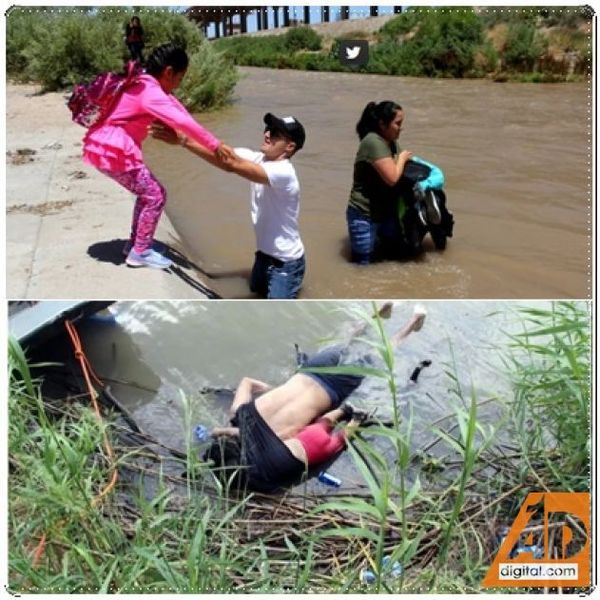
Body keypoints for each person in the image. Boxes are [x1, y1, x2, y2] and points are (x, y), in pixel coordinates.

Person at [204, 303, 427, 493]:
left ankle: (414, 320)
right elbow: (247, 382)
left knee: (382, 352)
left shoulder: (277, 441)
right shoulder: (240, 410)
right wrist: (274, 390)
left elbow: (308, 438)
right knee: (350, 340)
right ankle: (381, 310)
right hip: (311, 370)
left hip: (333, 388)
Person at [82, 43, 233, 269]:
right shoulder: (151, 92)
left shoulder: (143, 82)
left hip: (105, 146)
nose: (179, 84)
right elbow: (180, 122)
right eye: (179, 78)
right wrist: (214, 144)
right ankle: (139, 253)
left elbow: (177, 108)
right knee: (155, 195)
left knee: (147, 194)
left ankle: (135, 244)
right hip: (114, 150)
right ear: (169, 72)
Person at [151, 113, 306, 298]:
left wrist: (184, 141)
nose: (267, 135)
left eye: (275, 134)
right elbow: (220, 151)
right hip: (264, 255)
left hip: (286, 264)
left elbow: (230, 165)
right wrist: (175, 124)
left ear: (289, 147)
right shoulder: (258, 159)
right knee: (256, 296)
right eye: (268, 130)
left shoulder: (284, 173)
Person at [346, 101, 441, 265]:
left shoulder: (391, 141)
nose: (401, 128)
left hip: (387, 213)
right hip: (365, 215)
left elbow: (401, 168)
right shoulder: (373, 142)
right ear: (382, 124)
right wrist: (403, 158)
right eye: (398, 123)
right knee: (363, 265)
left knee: (394, 255)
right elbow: (392, 178)